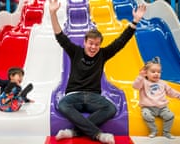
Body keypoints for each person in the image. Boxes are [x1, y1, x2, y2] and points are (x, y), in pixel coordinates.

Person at [49, 0, 146, 143]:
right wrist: (52, 13)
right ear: (85, 42)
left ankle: (73, 132)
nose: (93, 47)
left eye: (96, 44)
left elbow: (121, 41)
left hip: (93, 97)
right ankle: (99, 135)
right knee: (62, 105)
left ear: (100, 45)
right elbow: (59, 35)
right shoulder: (75, 52)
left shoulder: (103, 54)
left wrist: (135, 21)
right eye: (90, 43)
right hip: (73, 96)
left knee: (111, 109)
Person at [132, 57, 180, 139]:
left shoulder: (162, 83)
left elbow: (171, 92)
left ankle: (166, 132)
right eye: (153, 72)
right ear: (146, 73)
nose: (156, 74)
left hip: (162, 107)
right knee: (146, 115)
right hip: (148, 107)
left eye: (159, 72)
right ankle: (153, 130)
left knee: (170, 116)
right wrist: (140, 77)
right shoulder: (143, 82)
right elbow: (135, 86)